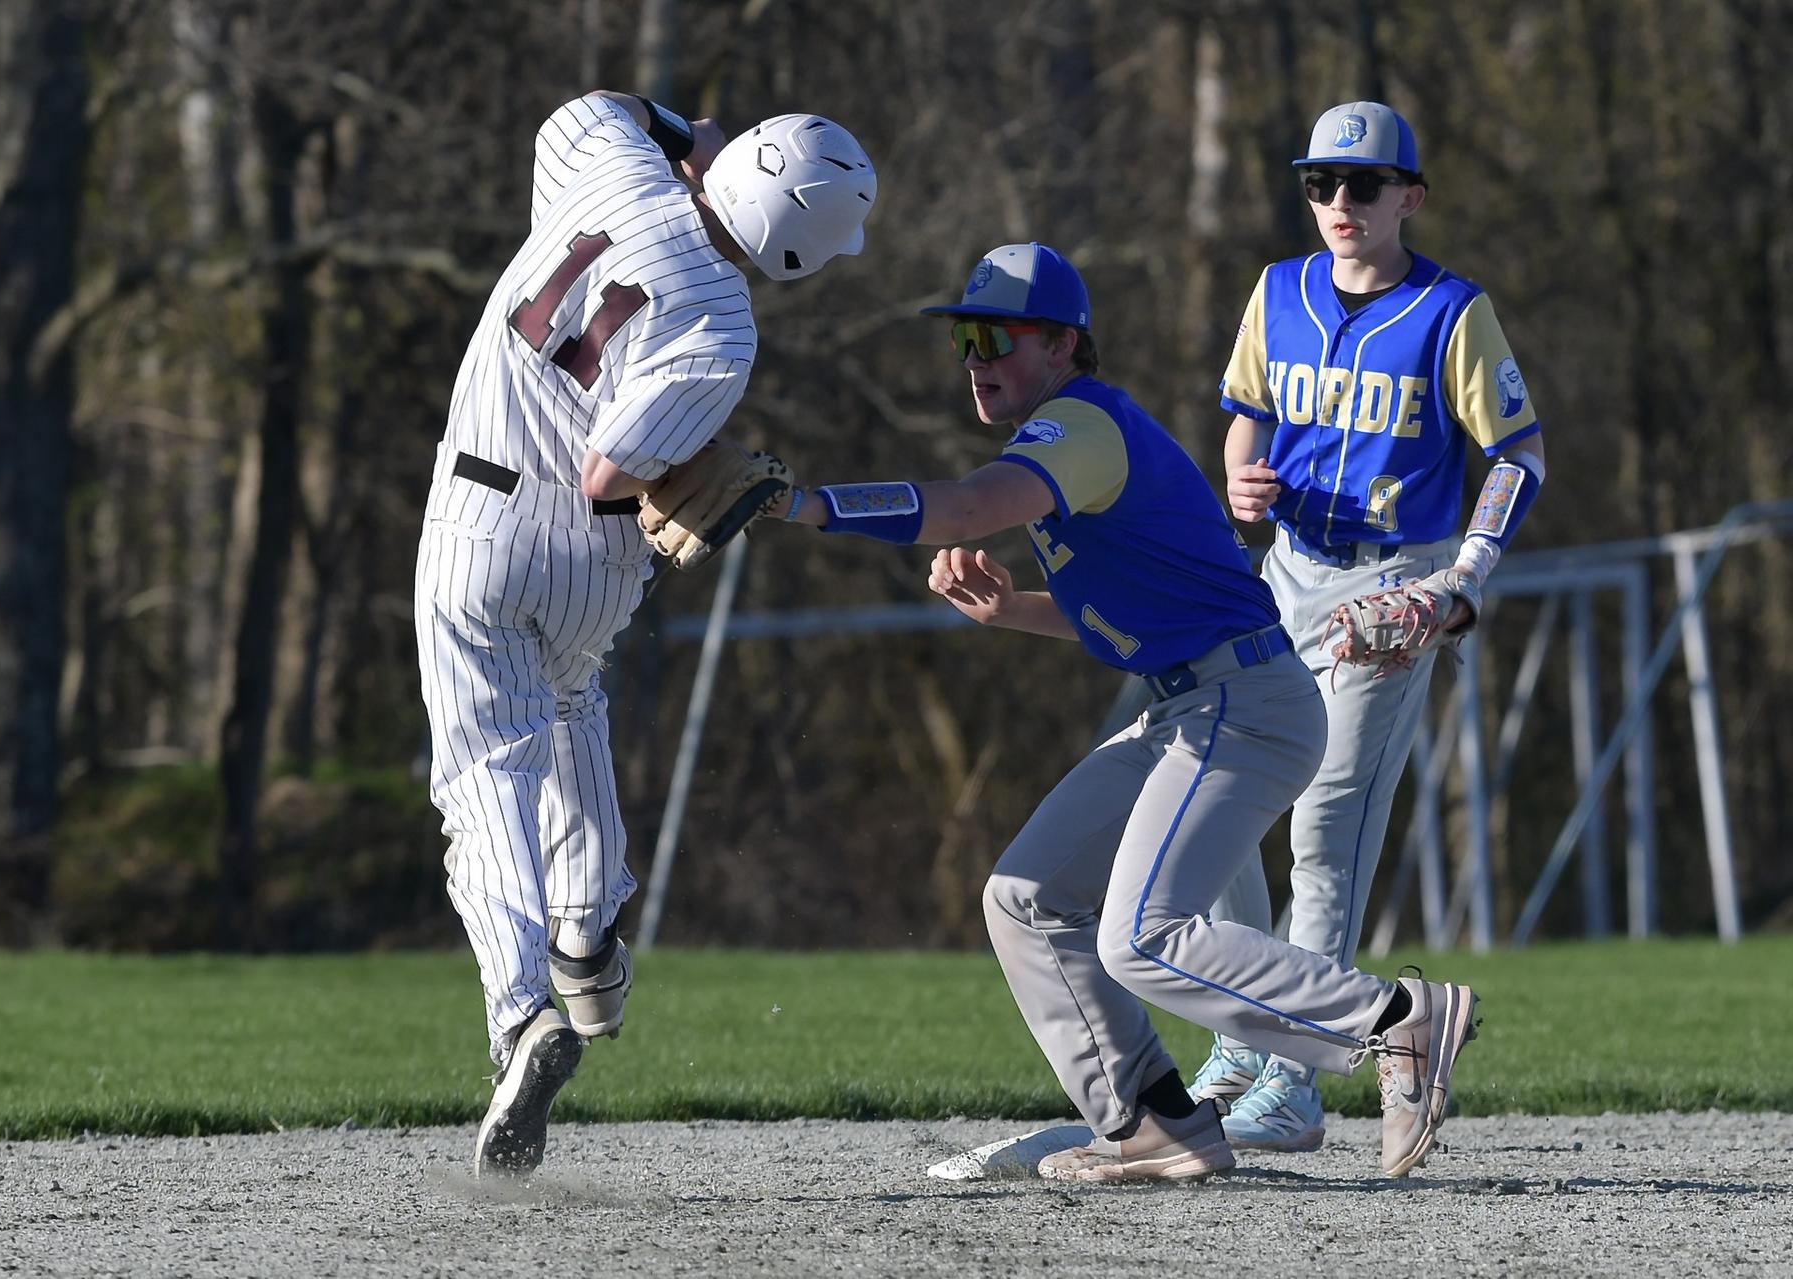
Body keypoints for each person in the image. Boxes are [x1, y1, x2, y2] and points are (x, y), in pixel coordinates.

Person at [772, 242, 1479, 1181]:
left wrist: (806, 503)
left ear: (1064, 343)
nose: (976, 357)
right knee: (1024, 898)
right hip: (1193, 704)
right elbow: (1138, 622)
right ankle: (1154, 1120)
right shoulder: (1069, 436)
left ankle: (1395, 1020)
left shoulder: (1082, 426)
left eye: (997, 336)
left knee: (1143, 934)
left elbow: (963, 506)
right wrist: (1010, 609)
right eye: (964, 341)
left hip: (1246, 705)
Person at [414, 90, 876, 1177]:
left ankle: (520, 1008)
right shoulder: (723, 321)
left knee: (483, 775)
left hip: (477, 519)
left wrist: (686, 138)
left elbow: (591, 106)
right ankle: (586, 933)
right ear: (800, 249)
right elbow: (614, 472)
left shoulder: (613, 172)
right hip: (587, 559)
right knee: (569, 709)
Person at [1189, 101, 1545, 1153]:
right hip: (1285, 570)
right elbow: (1247, 409)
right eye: (1320, 183)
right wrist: (1236, 475)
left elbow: (1520, 454)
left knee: (1323, 826)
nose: (1339, 203)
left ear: (1410, 197)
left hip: (1392, 587)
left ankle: (1295, 1083)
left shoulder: (1451, 310)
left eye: (1364, 185)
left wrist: (1459, 583)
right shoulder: (1279, 289)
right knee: (1213, 803)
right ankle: (1243, 1041)